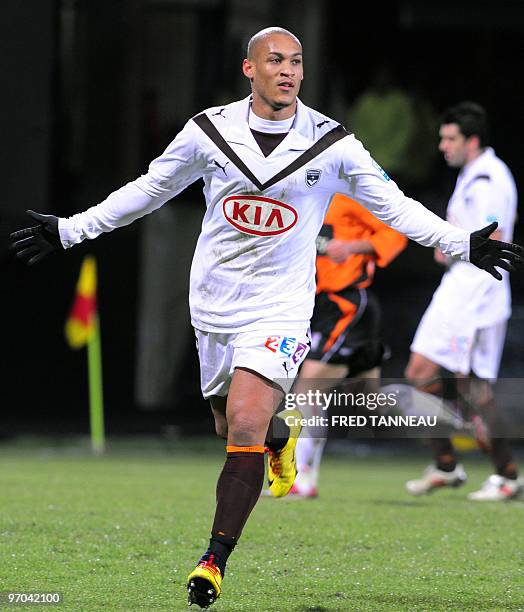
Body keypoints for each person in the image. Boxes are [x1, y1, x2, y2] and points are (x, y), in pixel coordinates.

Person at [10, 29, 522, 609]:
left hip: (279, 308)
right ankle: (283, 437)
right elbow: (150, 189)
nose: (287, 70)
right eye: (275, 60)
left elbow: (394, 204)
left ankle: (213, 561)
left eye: (296, 62)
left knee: (246, 422)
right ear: (248, 68)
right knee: (231, 427)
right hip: (213, 305)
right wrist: (73, 228)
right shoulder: (208, 131)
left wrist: (462, 244)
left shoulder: (331, 142)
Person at [405, 101, 522, 502]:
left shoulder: (488, 178)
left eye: (449, 138)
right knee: (471, 386)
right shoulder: (476, 173)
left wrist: (449, 247)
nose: (442, 146)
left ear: (472, 141)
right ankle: (483, 471)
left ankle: (456, 457)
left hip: (473, 291)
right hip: (468, 288)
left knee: (423, 373)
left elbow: (491, 237)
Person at [285, 193, 408, 498]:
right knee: (370, 400)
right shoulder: (300, 196)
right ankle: (426, 406)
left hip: (347, 302)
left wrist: (352, 247)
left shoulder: (350, 197)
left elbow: (395, 233)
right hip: (318, 305)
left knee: (307, 387)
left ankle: (299, 478)